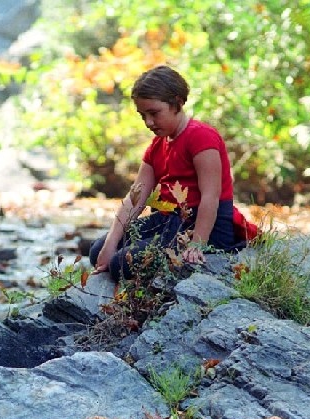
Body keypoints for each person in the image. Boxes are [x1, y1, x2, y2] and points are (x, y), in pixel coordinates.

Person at [90, 65, 258, 282]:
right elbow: (134, 199)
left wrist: (197, 244)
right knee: (98, 250)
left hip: (205, 224)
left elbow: (211, 196)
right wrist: (111, 241)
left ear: (177, 103)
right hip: (167, 220)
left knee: (121, 263)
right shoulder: (157, 146)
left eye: (154, 113)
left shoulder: (201, 137)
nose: (148, 122)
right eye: (143, 115)